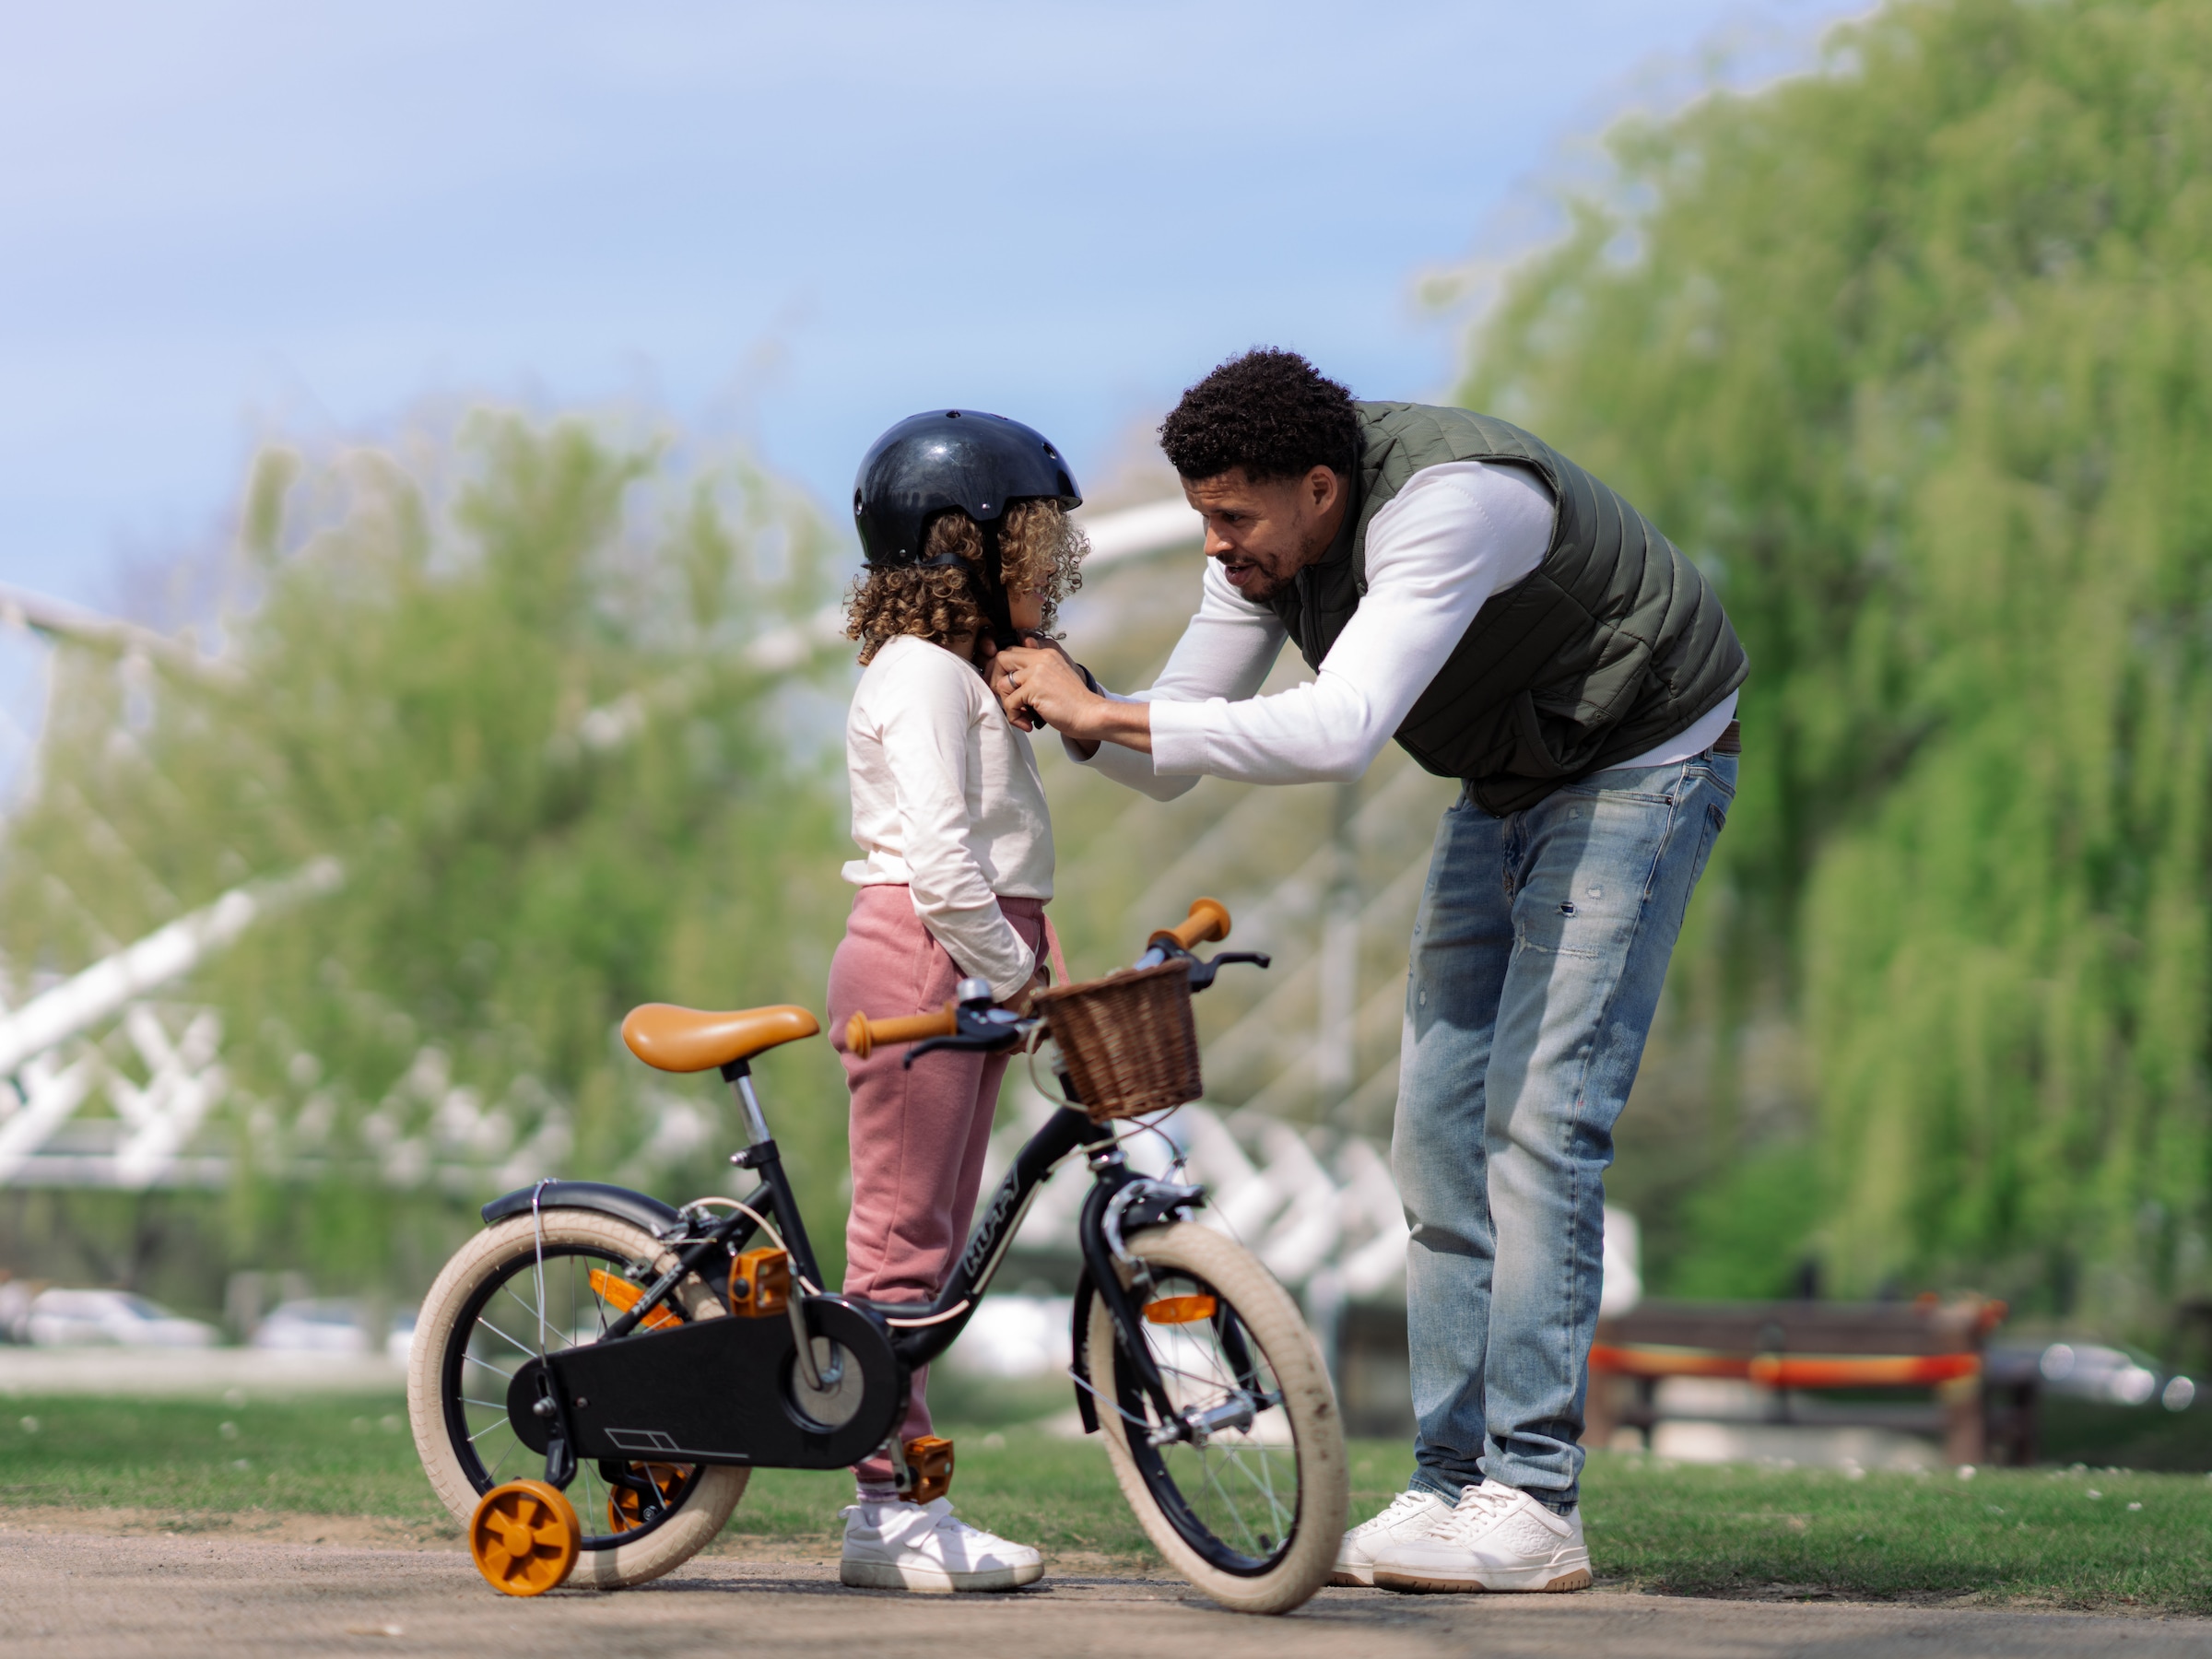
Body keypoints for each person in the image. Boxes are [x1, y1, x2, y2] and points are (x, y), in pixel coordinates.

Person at [991, 350, 1745, 1594]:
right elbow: (1171, 755)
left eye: (1233, 517)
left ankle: (1535, 1502)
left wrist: (1104, 709)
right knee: (1434, 1139)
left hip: (1643, 762)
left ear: (1321, 490)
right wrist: (1062, 702)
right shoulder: (1262, 554)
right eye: (1201, 516)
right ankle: (1448, 1492)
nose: (1216, 544)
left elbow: (1339, 733)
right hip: (1509, 782)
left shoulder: (1453, 505)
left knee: (1542, 1126)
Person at [826, 408, 1085, 1593]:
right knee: (902, 1245)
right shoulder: (923, 675)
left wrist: (1036, 951)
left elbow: (1000, 848)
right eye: (1034, 544)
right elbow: (940, 864)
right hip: (930, 957)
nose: (1053, 570)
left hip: (968, 954)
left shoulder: (958, 673)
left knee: (925, 1248)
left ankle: (899, 1500)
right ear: (961, 545)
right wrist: (1019, 969)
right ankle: (886, 1514)